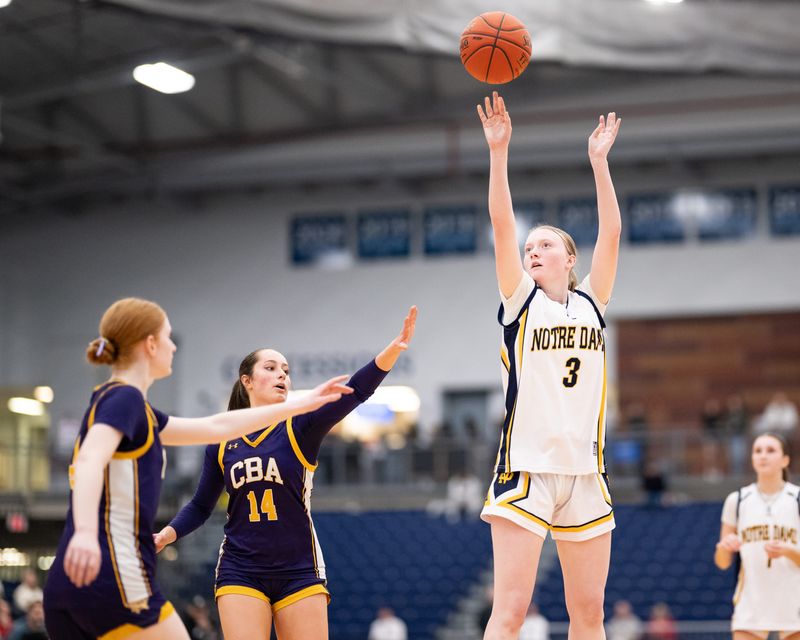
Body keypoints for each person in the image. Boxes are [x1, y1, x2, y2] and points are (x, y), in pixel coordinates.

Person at [42, 297, 353, 640]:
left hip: (65, 580)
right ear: (150, 344)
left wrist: (303, 404)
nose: (173, 346)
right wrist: (86, 533)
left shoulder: (121, 404)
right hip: (111, 570)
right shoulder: (125, 399)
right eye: (168, 337)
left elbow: (217, 427)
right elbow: (89, 459)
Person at [155, 307, 417, 640]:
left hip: (299, 567)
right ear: (247, 381)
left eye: (286, 370)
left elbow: (357, 391)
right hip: (241, 567)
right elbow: (200, 506)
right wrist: (167, 534)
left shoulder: (300, 427)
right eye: (271, 367)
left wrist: (392, 350)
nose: (282, 374)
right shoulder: (221, 442)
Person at [477, 90, 622, 640]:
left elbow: (611, 232)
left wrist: (599, 164)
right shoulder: (521, 300)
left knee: (589, 616)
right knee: (509, 614)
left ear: (569, 257)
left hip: (585, 470)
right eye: (529, 246)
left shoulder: (592, 302)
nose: (532, 251)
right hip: (528, 468)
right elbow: (499, 220)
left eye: (544, 245)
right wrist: (498, 151)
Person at [714, 433, 800, 639]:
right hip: (751, 603)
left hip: (793, 601)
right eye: (758, 451)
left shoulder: (797, 498)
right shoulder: (738, 500)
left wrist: (787, 551)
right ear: (752, 459)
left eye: (771, 450)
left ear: (785, 459)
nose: (763, 456)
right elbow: (722, 563)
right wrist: (724, 548)